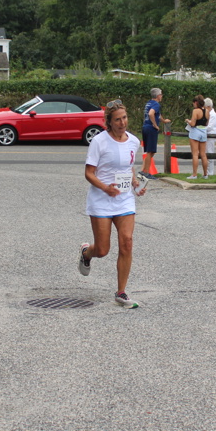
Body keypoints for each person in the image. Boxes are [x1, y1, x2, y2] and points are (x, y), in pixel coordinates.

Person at [78, 99, 145, 308]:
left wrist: (134, 183)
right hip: (101, 199)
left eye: (124, 118)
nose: (122, 123)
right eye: (117, 120)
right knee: (102, 250)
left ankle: (121, 292)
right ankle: (87, 252)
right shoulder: (99, 142)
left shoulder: (133, 141)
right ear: (109, 122)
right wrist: (105, 187)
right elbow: (89, 173)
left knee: (127, 241)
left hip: (124, 199)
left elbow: (128, 166)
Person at [141, 87, 169, 178]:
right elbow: (151, 113)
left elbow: (158, 115)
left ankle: (143, 170)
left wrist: (164, 121)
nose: (162, 96)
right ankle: (146, 172)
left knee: (150, 151)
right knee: (150, 151)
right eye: (161, 94)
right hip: (151, 128)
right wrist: (155, 125)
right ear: (158, 96)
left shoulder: (148, 103)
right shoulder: (156, 104)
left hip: (145, 127)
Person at [185, 95, 210, 179]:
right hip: (203, 132)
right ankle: (205, 174)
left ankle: (194, 174)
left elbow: (192, 124)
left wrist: (188, 121)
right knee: (203, 154)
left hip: (195, 132)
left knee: (195, 154)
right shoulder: (207, 111)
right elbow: (207, 123)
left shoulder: (195, 111)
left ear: (196, 102)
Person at [205, 97, 216, 176]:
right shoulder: (209, 114)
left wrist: (201, 129)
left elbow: (209, 127)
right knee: (207, 153)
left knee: (210, 153)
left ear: (208, 107)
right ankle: (207, 171)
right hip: (208, 135)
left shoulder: (213, 115)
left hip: (211, 136)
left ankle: (210, 172)